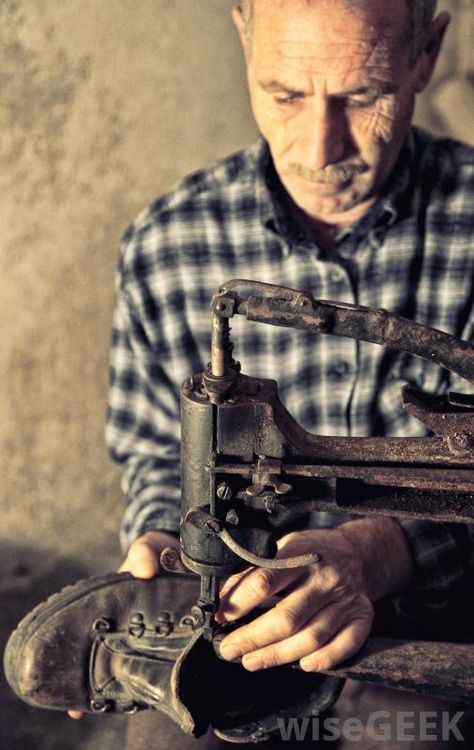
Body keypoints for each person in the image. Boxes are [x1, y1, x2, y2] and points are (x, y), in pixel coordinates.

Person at [101, 0, 474, 746]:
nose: (316, 146)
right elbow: (151, 452)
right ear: (244, 39)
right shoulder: (165, 243)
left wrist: (376, 554)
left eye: (361, 95)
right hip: (238, 621)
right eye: (285, 94)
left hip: (435, 619)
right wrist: (165, 544)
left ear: (426, 53)